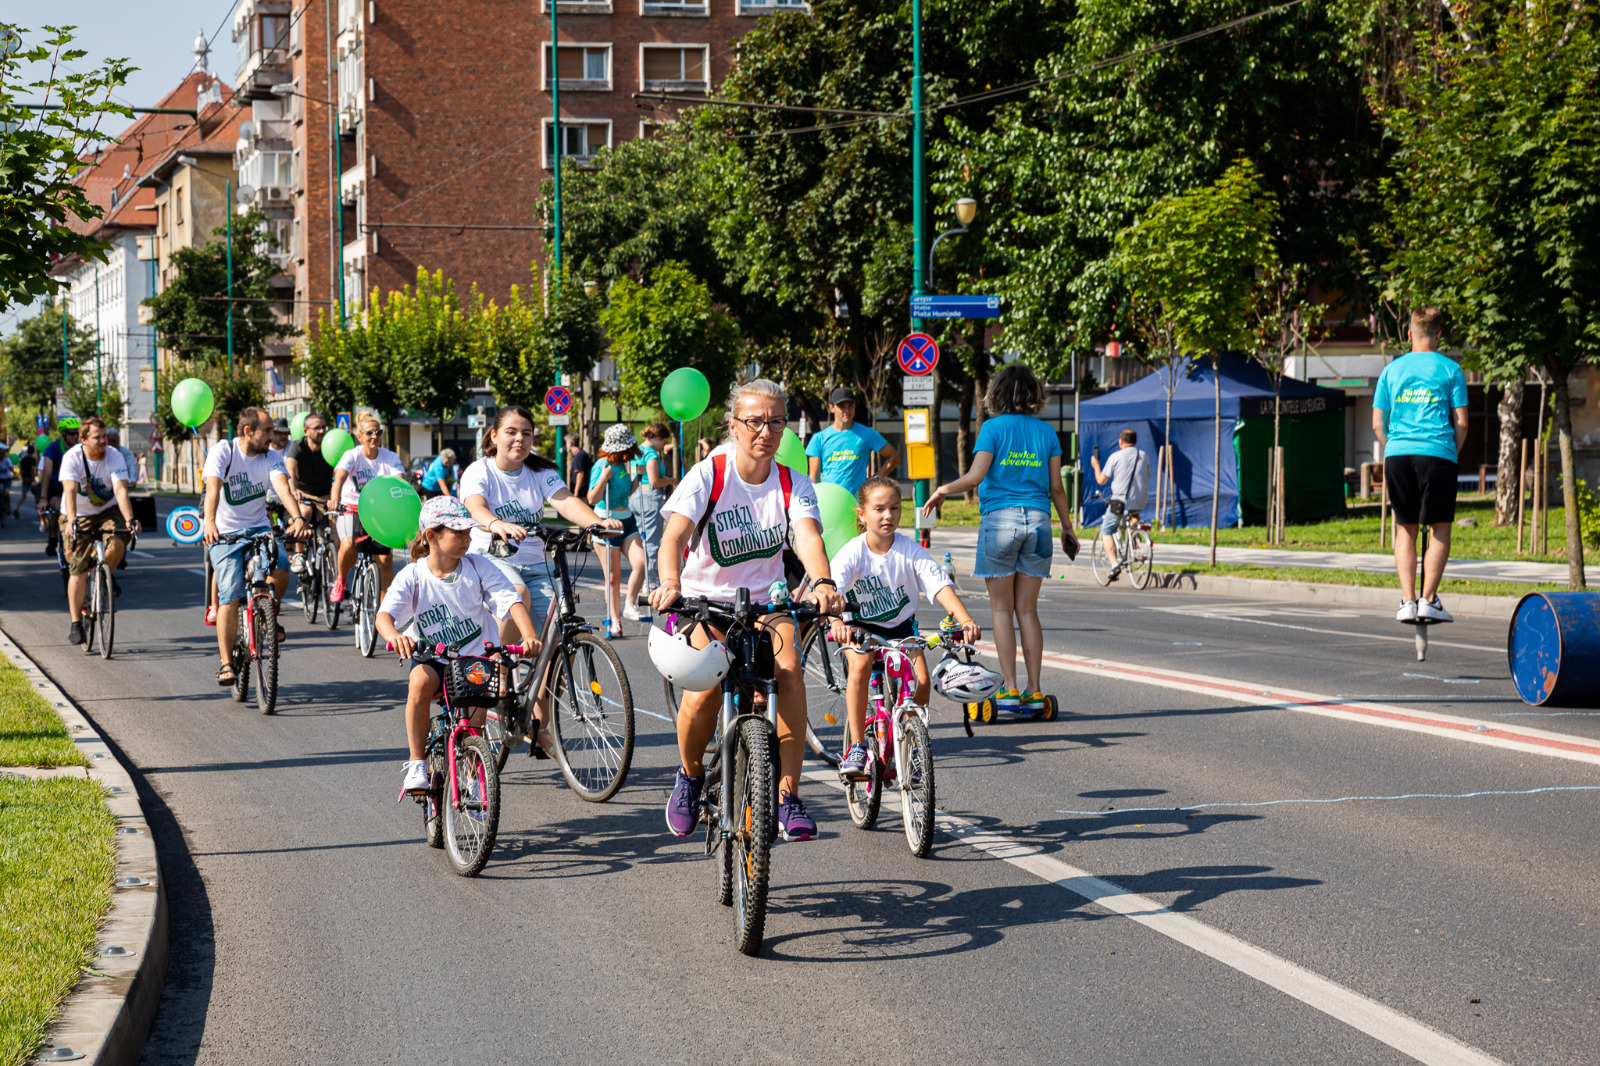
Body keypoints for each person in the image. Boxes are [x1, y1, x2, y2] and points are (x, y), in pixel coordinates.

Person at [649, 378, 844, 843]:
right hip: (703, 603)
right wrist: (671, 583)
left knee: (790, 669)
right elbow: (673, 538)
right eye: (754, 421)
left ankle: (788, 795)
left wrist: (822, 583)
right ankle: (690, 777)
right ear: (733, 426)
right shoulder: (709, 474)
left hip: (764, 602)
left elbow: (809, 538)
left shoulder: (792, 481)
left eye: (775, 422)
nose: (766, 431)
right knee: (707, 685)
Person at [459, 406, 618, 752]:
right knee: (517, 595)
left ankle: (537, 724)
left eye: (527, 433)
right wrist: (495, 524)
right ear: (494, 437)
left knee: (561, 637)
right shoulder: (480, 471)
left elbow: (565, 501)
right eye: (512, 432)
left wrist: (596, 522)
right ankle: (498, 669)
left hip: (536, 563)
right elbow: (475, 505)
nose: (520, 439)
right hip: (490, 559)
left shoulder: (540, 471)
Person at [923, 363, 1076, 716]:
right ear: (1035, 395)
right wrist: (1067, 526)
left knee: (1002, 611)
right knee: (1028, 611)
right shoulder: (1047, 432)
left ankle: (1008, 689)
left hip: (1000, 522)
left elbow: (976, 476)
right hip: (1039, 522)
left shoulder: (992, 428)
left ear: (997, 394)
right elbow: (1056, 487)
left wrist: (945, 488)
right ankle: (1035, 692)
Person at [377, 495, 537, 796]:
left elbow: (510, 600)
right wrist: (394, 636)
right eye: (458, 533)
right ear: (432, 536)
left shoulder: (478, 566)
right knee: (419, 682)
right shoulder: (413, 574)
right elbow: (384, 616)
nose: (467, 538)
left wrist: (529, 636)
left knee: (473, 726)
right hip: (434, 658)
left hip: (474, 661)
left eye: (468, 532)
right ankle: (415, 763)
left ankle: (473, 777)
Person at [829, 476, 981, 778]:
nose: (888, 516)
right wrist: (836, 622)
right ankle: (857, 744)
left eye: (895, 508)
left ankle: (911, 741)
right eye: (879, 509)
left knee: (922, 681)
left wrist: (965, 619)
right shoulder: (853, 552)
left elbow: (940, 586)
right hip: (860, 628)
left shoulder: (909, 550)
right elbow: (831, 593)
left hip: (901, 628)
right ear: (862, 514)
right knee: (859, 669)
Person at [1374, 305, 1469, 623]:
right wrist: (1450, 453)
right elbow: (1463, 422)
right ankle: (1429, 600)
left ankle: (1407, 600)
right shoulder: (1451, 369)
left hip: (1398, 453)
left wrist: (1395, 449)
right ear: (1439, 335)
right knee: (1439, 525)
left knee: (1405, 526)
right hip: (1438, 453)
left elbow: (1378, 424)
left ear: (1409, 333)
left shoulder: (1391, 370)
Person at [202, 407, 308, 685]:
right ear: (248, 431)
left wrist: (296, 517)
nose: (272, 437)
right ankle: (226, 663)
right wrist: (209, 523)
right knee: (230, 593)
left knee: (282, 567)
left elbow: (282, 487)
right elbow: (213, 489)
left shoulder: (271, 457)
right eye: (268, 431)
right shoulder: (224, 452)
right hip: (225, 532)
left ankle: (268, 615)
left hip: (259, 527)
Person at [59, 417, 141, 644]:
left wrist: (130, 519)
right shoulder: (72, 458)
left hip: (107, 510)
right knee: (78, 566)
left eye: (104, 436)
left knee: (117, 541)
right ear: (84, 440)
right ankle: (76, 622)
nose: (103, 441)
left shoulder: (114, 456)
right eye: (97, 438)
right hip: (79, 513)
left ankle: (105, 575)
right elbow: (70, 490)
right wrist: (72, 520)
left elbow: (121, 491)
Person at [328, 415, 403, 603]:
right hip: (351, 508)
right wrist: (334, 498)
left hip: (379, 512)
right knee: (349, 543)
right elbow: (340, 477)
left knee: (385, 559)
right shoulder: (352, 455)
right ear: (359, 436)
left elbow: (399, 481)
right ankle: (341, 579)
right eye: (369, 432)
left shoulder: (390, 457)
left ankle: (386, 606)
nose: (374, 436)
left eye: (378, 432)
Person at [586, 424, 648, 637]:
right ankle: (614, 619)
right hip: (606, 523)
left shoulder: (624, 464)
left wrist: (638, 479)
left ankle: (629, 605)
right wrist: (604, 477)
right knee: (613, 577)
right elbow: (592, 498)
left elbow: (625, 494)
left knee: (641, 562)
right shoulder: (601, 465)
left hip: (627, 520)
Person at [805, 386, 900, 495]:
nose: (847, 410)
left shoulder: (867, 433)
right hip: (829, 503)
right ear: (831, 408)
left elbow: (894, 457)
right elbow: (813, 478)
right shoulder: (819, 438)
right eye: (841, 406)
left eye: (850, 406)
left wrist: (876, 479)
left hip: (857, 504)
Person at [628, 423, 679, 609]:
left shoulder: (636, 451)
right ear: (658, 438)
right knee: (652, 541)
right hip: (650, 498)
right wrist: (673, 480)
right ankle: (650, 581)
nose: (662, 445)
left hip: (635, 496)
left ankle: (644, 577)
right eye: (663, 441)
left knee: (641, 540)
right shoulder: (650, 454)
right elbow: (655, 480)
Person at [1090, 428, 1151, 579]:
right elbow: (1147, 474)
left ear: (1120, 441)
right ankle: (1135, 540)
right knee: (1133, 514)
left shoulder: (1115, 456)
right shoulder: (1143, 455)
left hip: (1120, 502)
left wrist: (1096, 465)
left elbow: (1101, 480)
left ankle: (1114, 565)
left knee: (1106, 530)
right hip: (1140, 500)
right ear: (1135, 442)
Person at [284, 411, 334, 574]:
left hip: (326, 495)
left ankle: (333, 569)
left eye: (324, 427)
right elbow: (290, 469)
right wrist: (293, 490)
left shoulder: (330, 444)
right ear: (306, 431)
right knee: (304, 512)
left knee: (335, 532)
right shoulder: (298, 446)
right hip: (304, 493)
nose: (322, 431)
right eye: (317, 428)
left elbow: (341, 470)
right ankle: (299, 554)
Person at [37, 417, 81, 556]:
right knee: (58, 509)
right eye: (71, 433)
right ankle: (53, 539)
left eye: (77, 433)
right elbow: (47, 474)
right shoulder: (53, 449)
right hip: (56, 487)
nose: (75, 436)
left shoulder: (81, 448)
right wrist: (43, 498)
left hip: (75, 486)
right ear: (63, 434)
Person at [18, 444, 37, 519]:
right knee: (37, 495)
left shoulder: (23, 459)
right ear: (33, 452)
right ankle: (40, 512)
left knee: (23, 495)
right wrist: (33, 479)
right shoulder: (33, 460)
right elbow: (32, 469)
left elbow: (21, 469)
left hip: (25, 478)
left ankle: (16, 509)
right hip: (30, 479)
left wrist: (22, 476)